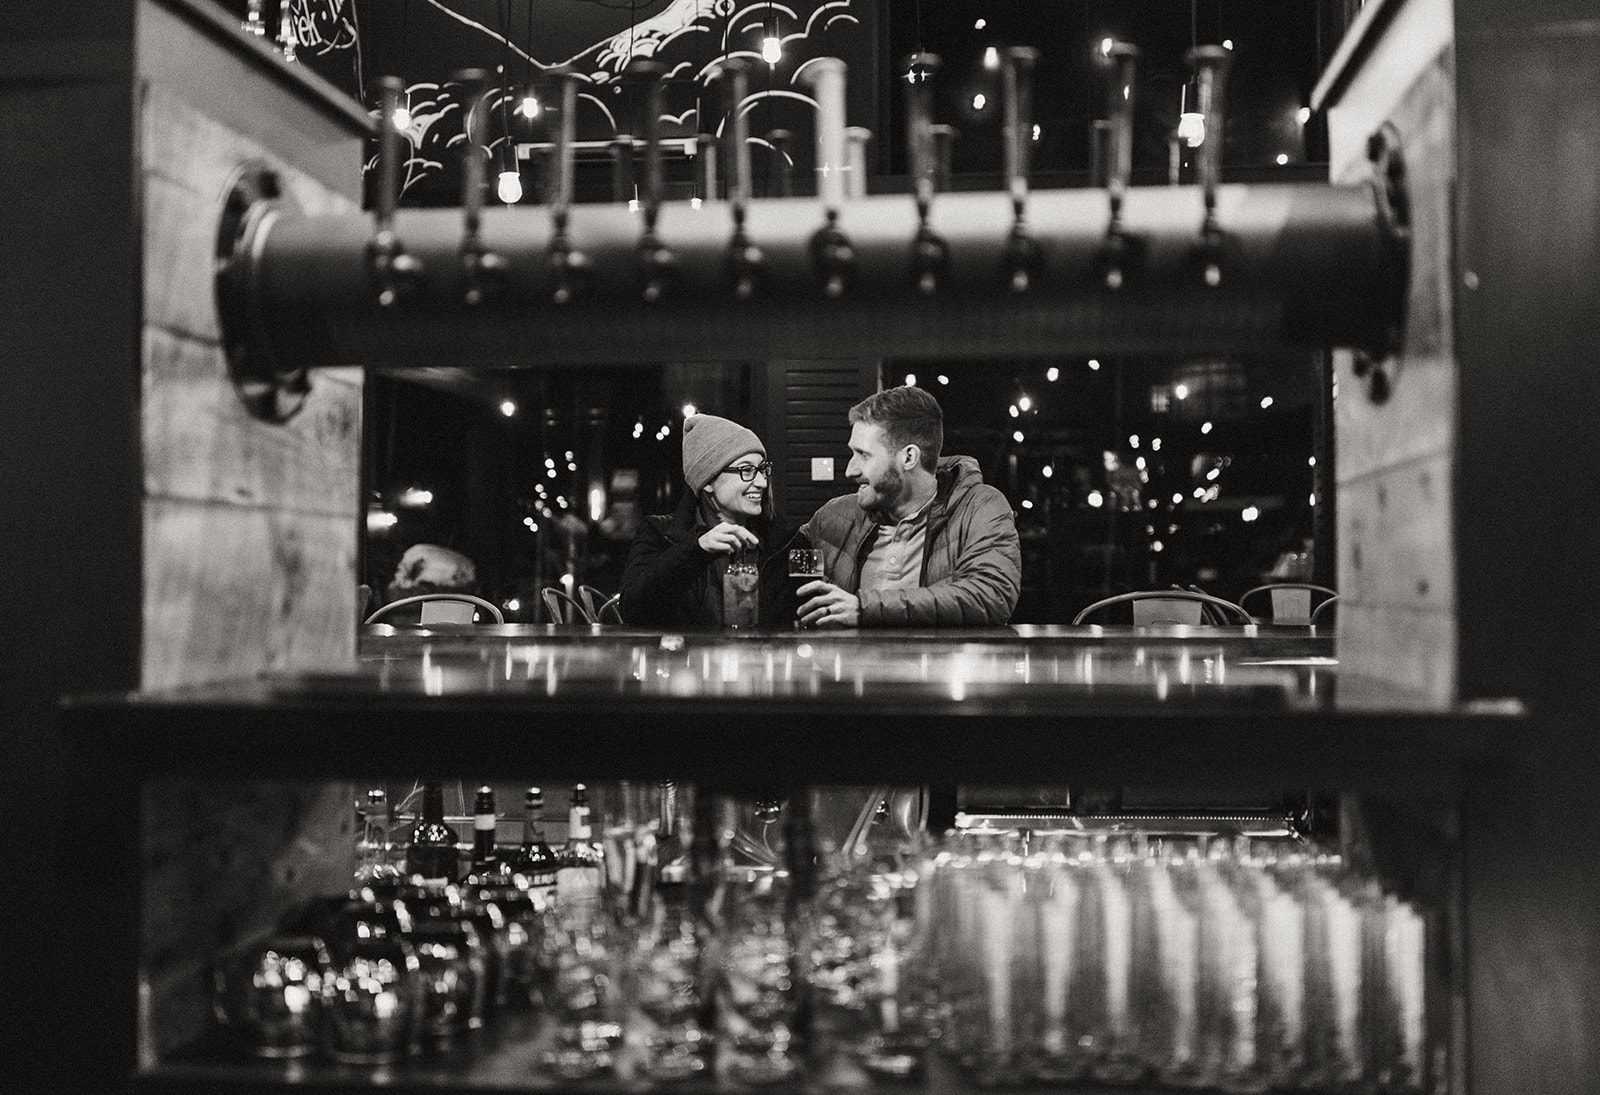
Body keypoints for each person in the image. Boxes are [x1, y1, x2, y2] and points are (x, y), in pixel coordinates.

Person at [797, 386, 1021, 627]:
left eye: (864, 455)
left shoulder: (980, 507)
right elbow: (773, 566)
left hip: (941, 664)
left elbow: (990, 597)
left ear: (908, 458)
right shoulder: (834, 516)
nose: (850, 470)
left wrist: (865, 609)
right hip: (847, 665)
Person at [620, 413, 802, 628]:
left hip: (765, 659)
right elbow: (632, 611)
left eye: (763, 470)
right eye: (746, 470)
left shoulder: (786, 541)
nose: (762, 482)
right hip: (685, 660)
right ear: (708, 481)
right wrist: (695, 549)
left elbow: (806, 619)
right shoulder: (661, 533)